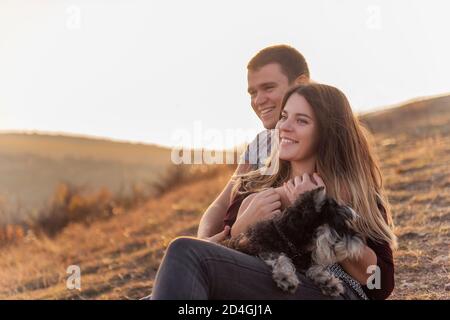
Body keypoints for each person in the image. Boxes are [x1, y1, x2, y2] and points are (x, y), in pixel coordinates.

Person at [149, 83, 396, 300]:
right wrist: (241, 228)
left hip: (330, 291)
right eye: (284, 116)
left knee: (185, 251)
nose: (284, 127)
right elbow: (229, 260)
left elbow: (379, 284)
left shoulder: (353, 193)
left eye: (301, 120)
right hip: (263, 287)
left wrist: (316, 213)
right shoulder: (255, 186)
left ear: (326, 133)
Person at [197, 44, 310, 241]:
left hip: (273, 256)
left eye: (268, 88)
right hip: (237, 247)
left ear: (301, 84)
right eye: (252, 93)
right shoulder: (261, 142)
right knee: (183, 249)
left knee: (180, 250)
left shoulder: (318, 140)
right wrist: (204, 243)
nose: (258, 100)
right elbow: (221, 204)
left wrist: (234, 235)